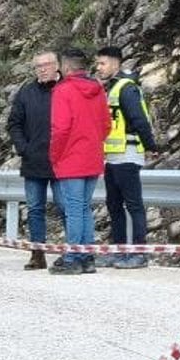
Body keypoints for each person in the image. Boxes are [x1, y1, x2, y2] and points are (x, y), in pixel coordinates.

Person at [95, 45, 161, 269]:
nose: (99, 67)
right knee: (114, 205)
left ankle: (139, 253)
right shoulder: (110, 88)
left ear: (116, 63)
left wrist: (151, 145)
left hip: (127, 154)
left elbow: (139, 119)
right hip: (112, 157)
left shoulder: (126, 88)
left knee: (133, 205)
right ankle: (119, 251)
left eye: (102, 63)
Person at [48, 49, 111, 274]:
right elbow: (106, 125)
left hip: (70, 158)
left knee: (74, 209)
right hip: (92, 156)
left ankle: (73, 256)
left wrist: (54, 155)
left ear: (65, 68)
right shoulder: (97, 89)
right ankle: (86, 255)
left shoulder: (63, 90)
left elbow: (61, 128)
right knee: (84, 208)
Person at [5, 50, 61, 270]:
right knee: (35, 209)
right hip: (33, 160)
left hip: (62, 161)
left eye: (47, 64)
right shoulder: (26, 92)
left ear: (57, 65)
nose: (43, 69)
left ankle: (74, 253)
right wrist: (23, 148)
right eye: (38, 66)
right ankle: (37, 254)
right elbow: (14, 123)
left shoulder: (66, 90)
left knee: (66, 207)